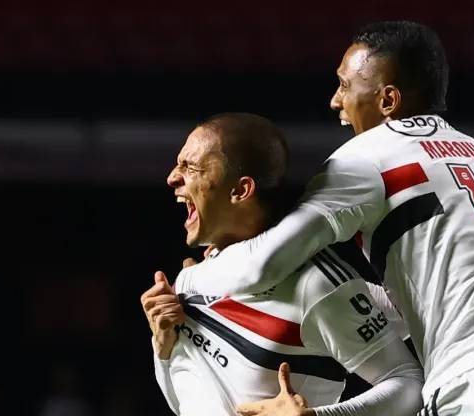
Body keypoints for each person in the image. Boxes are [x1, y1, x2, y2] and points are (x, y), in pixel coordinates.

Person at [172, 21, 474, 415]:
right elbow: (443, 287)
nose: (335, 101)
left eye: (345, 86)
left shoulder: (363, 158)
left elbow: (262, 264)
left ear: (387, 99)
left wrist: (186, 285)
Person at [141, 112, 425, 416]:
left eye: (191, 166)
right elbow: (185, 403)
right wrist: (164, 349)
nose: (172, 176)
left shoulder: (316, 284)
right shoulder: (189, 280)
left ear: (240, 190)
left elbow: (408, 384)